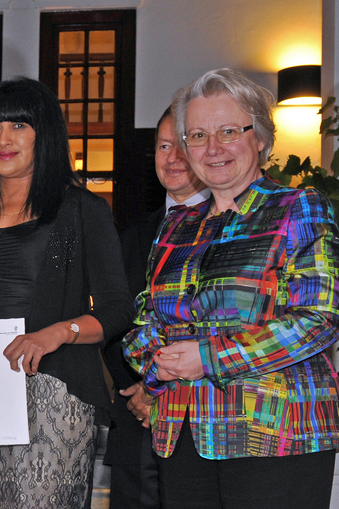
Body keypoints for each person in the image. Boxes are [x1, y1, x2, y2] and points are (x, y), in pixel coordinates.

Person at [123, 68, 339, 508]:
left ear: (258, 137)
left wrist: (207, 357)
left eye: (227, 131)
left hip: (276, 437)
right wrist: (157, 363)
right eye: (197, 135)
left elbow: (318, 321)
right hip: (182, 435)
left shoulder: (298, 207)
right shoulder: (176, 226)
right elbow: (143, 322)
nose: (212, 148)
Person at [0, 77, 134, 509]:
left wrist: (59, 332)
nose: (4, 139)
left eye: (19, 126)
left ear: (45, 134)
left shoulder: (80, 210)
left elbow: (118, 309)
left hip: (52, 388)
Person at [103, 106, 209, 509]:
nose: (174, 157)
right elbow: (115, 320)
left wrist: (160, 390)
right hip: (135, 421)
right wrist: (139, 390)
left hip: (207, 417)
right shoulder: (129, 237)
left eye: (186, 143)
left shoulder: (234, 226)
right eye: (164, 145)